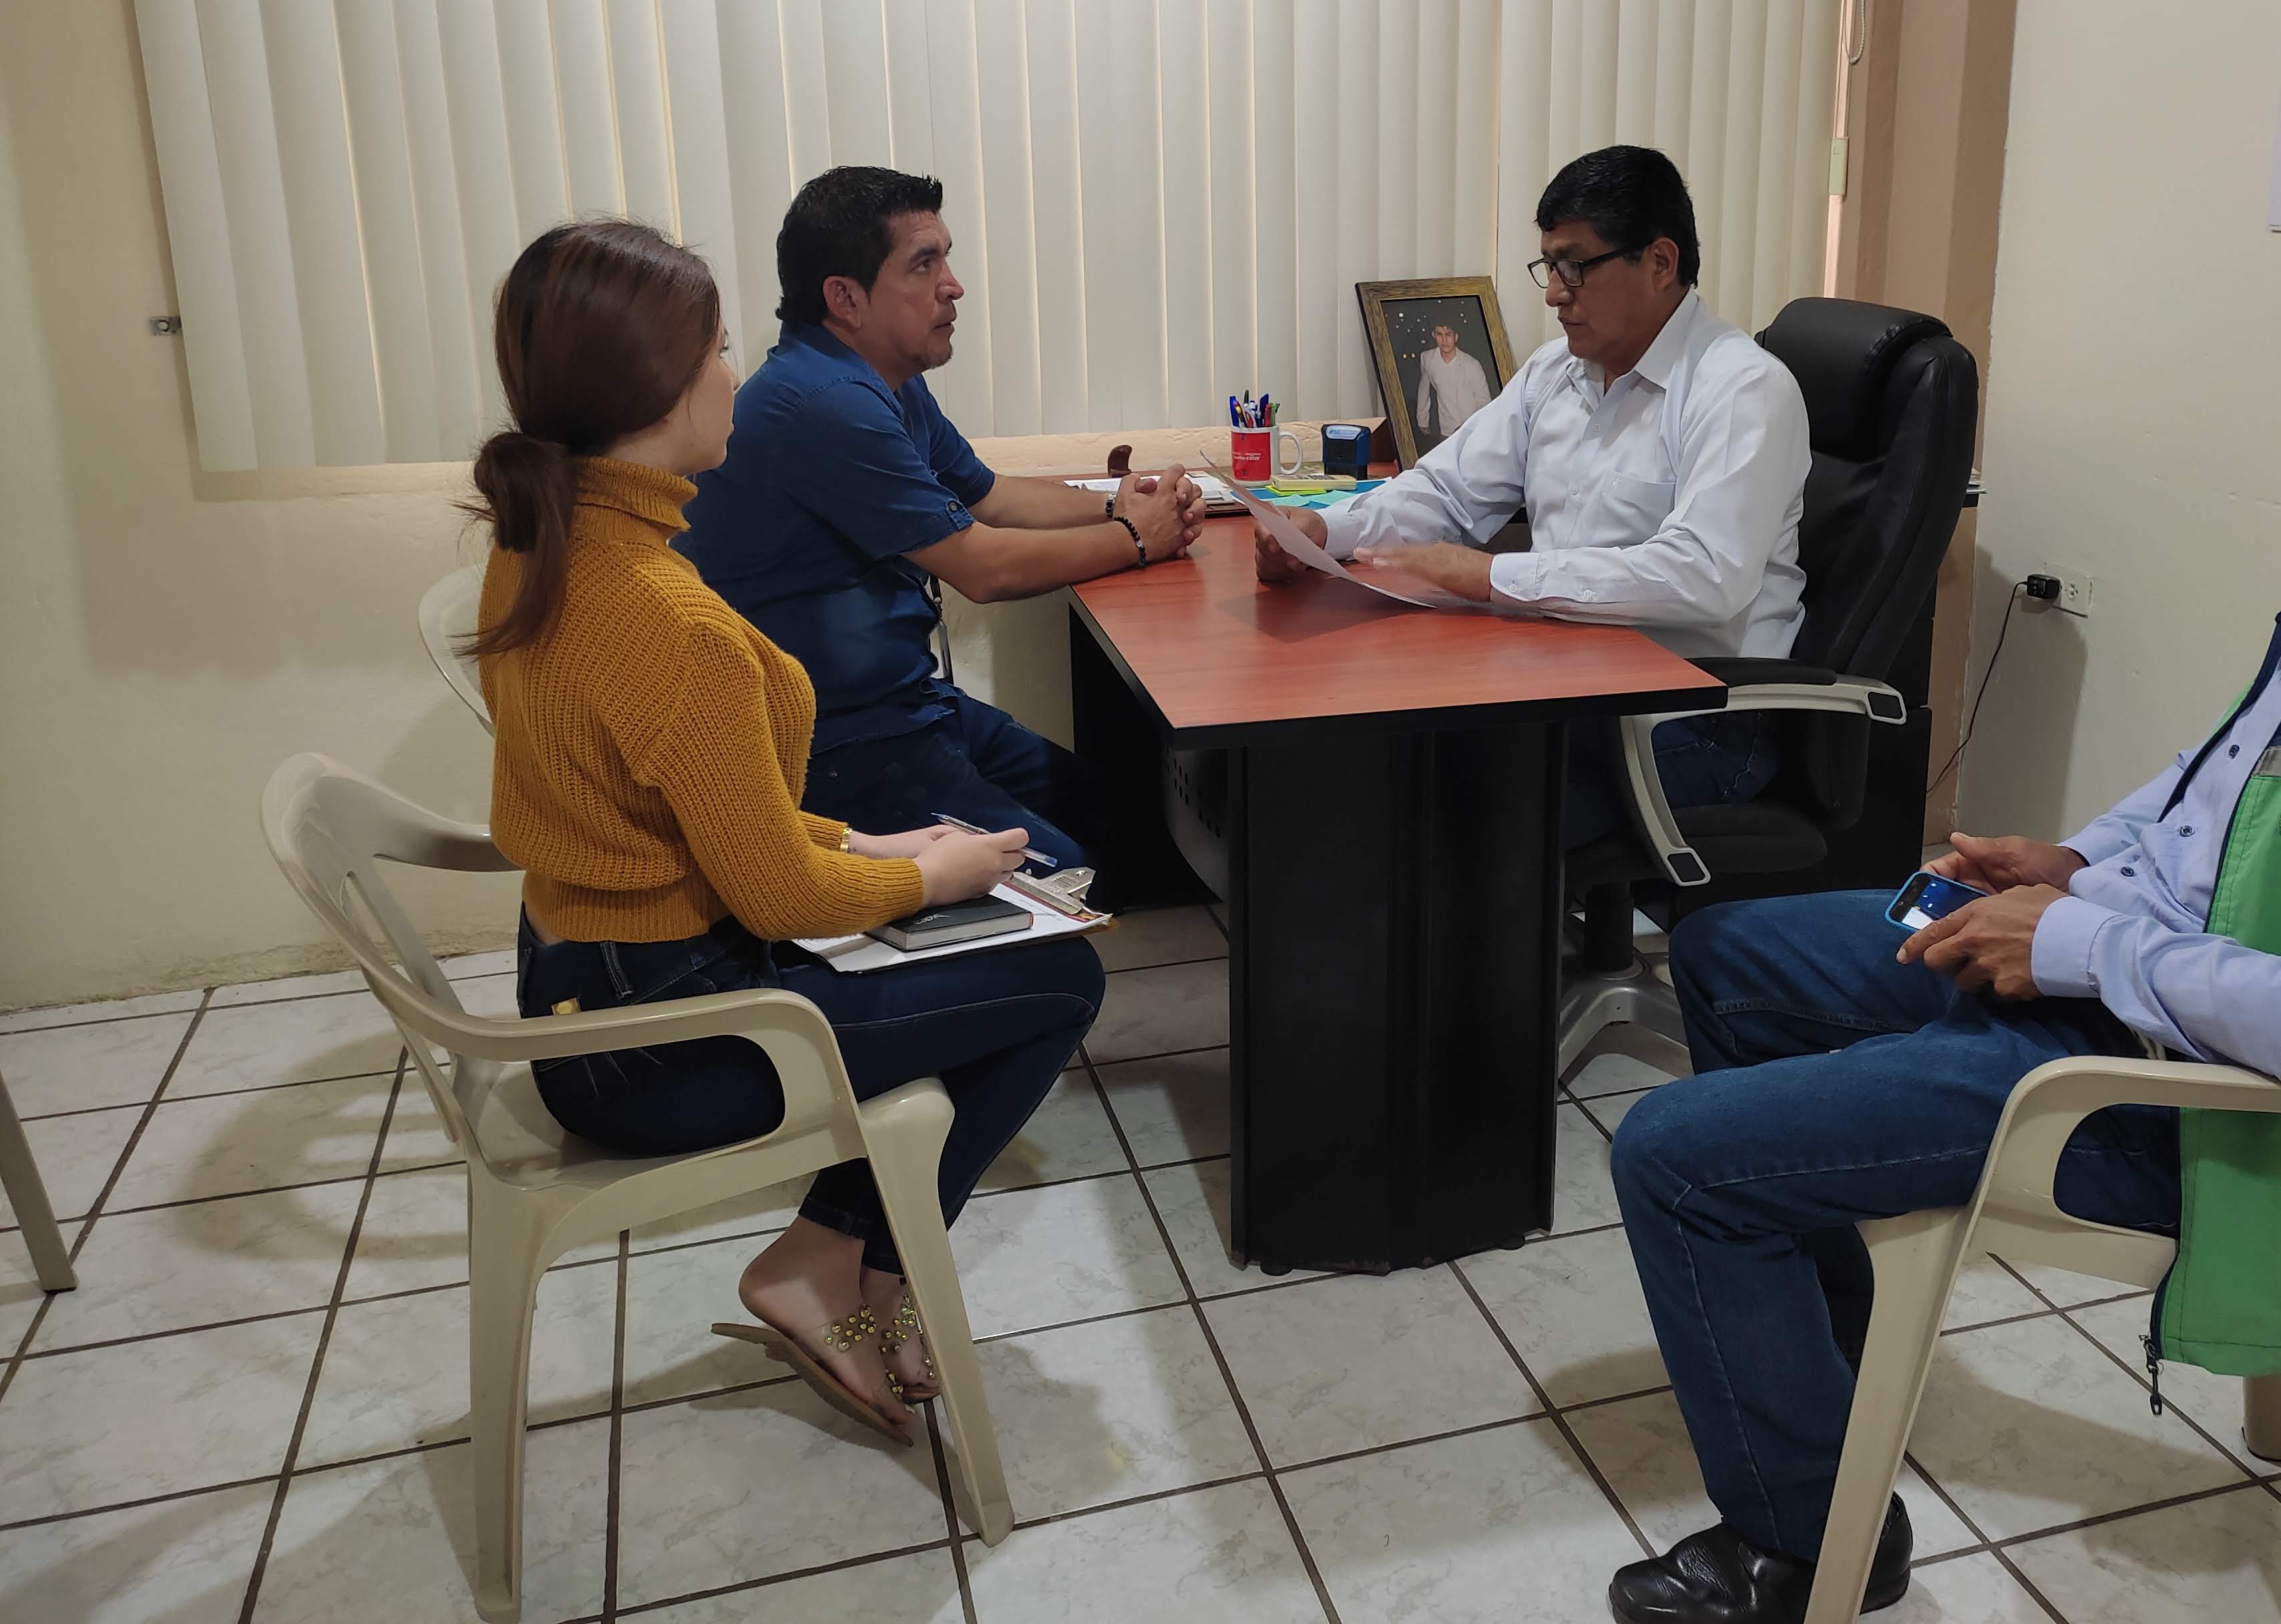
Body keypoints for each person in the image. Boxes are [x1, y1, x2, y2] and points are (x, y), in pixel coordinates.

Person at [1603, 246, 2281, 1623]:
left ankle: (1803, 1549)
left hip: (2198, 1108)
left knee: (1676, 1157)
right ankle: (1819, 1390)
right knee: (1730, 955)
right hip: (2128, 989)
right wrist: (2080, 865)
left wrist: (2078, 947)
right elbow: (2211, 806)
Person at [469, 219, 1104, 1444]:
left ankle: (839, 1260)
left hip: (579, 992)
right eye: (716, 352)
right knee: (1059, 976)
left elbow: (696, 812)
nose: (734, 377)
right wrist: (935, 879)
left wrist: (875, 849)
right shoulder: (669, 619)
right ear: (657, 390)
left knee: (987, 953)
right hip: (659, 1048)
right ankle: (839, 1259)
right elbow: (779, 899)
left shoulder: (544, 544)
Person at [1257, 144, 1812, 850]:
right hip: (1566, 683)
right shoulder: (1556, 372)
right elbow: (1447, 490)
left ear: (1660, 262)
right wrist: (1321, 533)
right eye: (1548, 266)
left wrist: (1494, 577)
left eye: (1575, 266)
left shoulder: (1741, 390)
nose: (1553, 293)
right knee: (1375, 746)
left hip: (1694, 713)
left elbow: (1705, 575)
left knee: (1455, 802)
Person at [678, 166, 1205, 886]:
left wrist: (1126, 504)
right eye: (924, 265)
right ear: (845, 298)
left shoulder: (882, 380)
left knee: (1127, 823)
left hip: (908, 708)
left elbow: (991, 496)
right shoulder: (824, 403)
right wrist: (1139, 540)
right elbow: (982, 567)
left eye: (946, 259)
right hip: (834, 746)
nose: (953, 286)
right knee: (1065, 875)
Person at [1414, 317, 1494, 443]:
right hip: (1446, 431)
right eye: (1439, 334)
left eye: (1448, 335)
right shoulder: (1427, 358)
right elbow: (1424, 389)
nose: (1444, 340)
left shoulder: (1472, 364)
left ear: (1456, 337)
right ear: (1434, 335)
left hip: (1472, 428)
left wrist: (1471, 426)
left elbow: (1484, 401)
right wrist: (1422, 419)